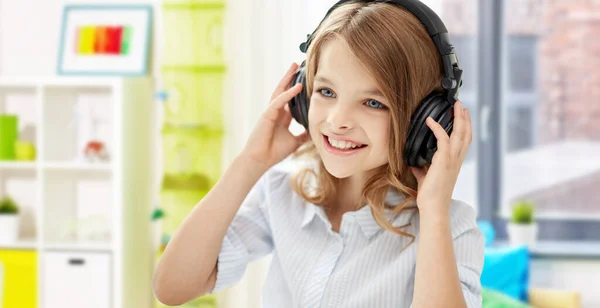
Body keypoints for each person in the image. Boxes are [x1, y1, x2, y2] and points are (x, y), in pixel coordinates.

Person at [152, 0, 484, 307]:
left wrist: (434, 213)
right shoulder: (283, 196)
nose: (337, 121)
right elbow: (172, 287)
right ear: (302, 98)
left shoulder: (449, 226)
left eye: (373, 102)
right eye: (326, 91)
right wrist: (250, 163)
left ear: (423, 122)